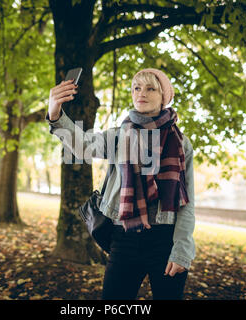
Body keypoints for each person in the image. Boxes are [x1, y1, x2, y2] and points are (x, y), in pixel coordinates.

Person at [46, 68, 195, 300]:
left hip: (165, 241)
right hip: (124, 237)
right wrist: (56, 114)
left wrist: (182, 250)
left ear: (164, 97)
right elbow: (82, 145)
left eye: (150, 88)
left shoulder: (181, 143)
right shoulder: (118, 135)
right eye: (136, 88)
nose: (141, 93)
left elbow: (187, 203)